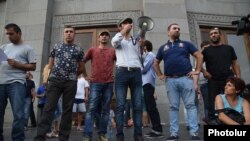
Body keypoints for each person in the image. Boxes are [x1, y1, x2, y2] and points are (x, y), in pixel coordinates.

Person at [34, 25, 87, 141]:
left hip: (70, 83)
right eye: (66, 31)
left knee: (67, 111)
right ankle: (40, 137)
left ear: (74, 34)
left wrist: (72, 74)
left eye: (71, 32)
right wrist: (47, 79)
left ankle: (63, 138)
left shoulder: (79, 49)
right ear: (63, 33)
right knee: (48, 108)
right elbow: (50, 65)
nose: (69, 33)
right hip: (55, 81)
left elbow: (82, 68)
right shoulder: (56, 46)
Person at [154, 23, 203, 141]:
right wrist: (160, 75)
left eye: (179, 29)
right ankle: (174, 134)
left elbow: (199, 55)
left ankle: (194, 134)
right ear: (168, 32)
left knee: (190, 106)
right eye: (174, 28)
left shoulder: (186, 44)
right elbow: (155, 62)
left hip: (186, 79)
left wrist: (197, 71)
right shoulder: (163, 48)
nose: (177, 30)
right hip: (170, 80)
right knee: (173, 107)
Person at [0, 23, 36, 141]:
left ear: (19, 33)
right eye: (7, 34)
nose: (9, 36)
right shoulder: (3, 47)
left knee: (18, 114)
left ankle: (17, 139)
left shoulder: (28, 48)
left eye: (11, 34)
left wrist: (17, 64)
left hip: (16, 83)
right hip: (1, 82)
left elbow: (33, 67)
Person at [111, 17, 144, 141]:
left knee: (138, 105)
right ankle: (120, 135)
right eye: (125, 23)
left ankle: (138, 135)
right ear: (120, 27)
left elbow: (141, 50)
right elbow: (114, 42)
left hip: (136, 72)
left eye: (129, 23)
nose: (128, 24)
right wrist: (124, 31)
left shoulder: (135, 40)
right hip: (122, 72)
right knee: (120, 105)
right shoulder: (117, 39)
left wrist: (143, 30)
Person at [82, 30, 116, 141]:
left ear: (109, 38)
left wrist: (116, 75)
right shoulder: (93, 49)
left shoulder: (113, 51)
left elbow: (120, 63)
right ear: (98, 38)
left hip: (109, 83)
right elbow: (82, 61)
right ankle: (87, 135)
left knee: (106, 110)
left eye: (107, 35)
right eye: (102, 35)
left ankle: (102, 134)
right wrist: (85, 75)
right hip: (95, 83)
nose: (104, 37)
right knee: (91, 109)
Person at [202, 27, 241, 120]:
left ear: (220, 35)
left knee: (231, 101)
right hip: (213, 80)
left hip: (228, 79)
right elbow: (198, 62)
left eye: (215, 33)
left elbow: (235, 63)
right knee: (213, 104)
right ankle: (215, 123)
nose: (213, 35)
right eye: (211, 34)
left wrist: (238, 78)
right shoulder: (206, 50)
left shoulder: (229, 48)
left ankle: (234, 121)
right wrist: (204, 71)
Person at [141, 40, 164, 139]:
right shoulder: (146, 56)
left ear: (145, 47)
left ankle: (158, 130)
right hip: (145, 83)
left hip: (148, 83)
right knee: (150, 107)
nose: (140, 48)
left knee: (151, 107)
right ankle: (155, 129)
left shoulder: (150, 54)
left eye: (142, 46)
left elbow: (144, 69)